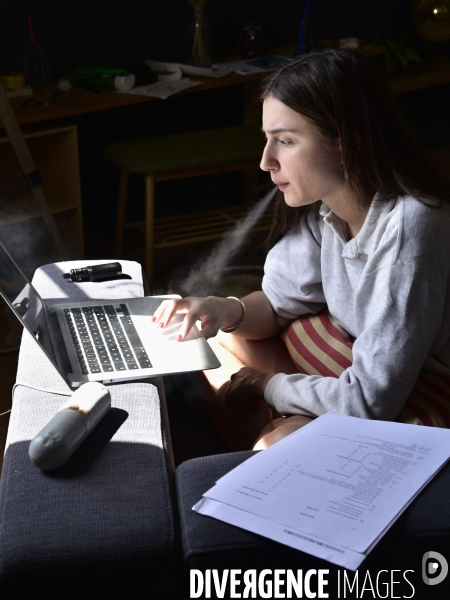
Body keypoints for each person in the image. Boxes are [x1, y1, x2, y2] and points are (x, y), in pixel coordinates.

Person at [153, 48, 450, 451]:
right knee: (214, 337)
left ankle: (283, 433)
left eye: (286, 141)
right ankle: (291, 425)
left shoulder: (411, 226)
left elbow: (368, 402)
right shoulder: (324, 208)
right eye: (267, 140)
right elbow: (276, 306)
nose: (266, 162)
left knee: (273, 446)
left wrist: (266, 386)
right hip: (356, 368)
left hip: (423, 391)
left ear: (348, 144)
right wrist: (220, 309)